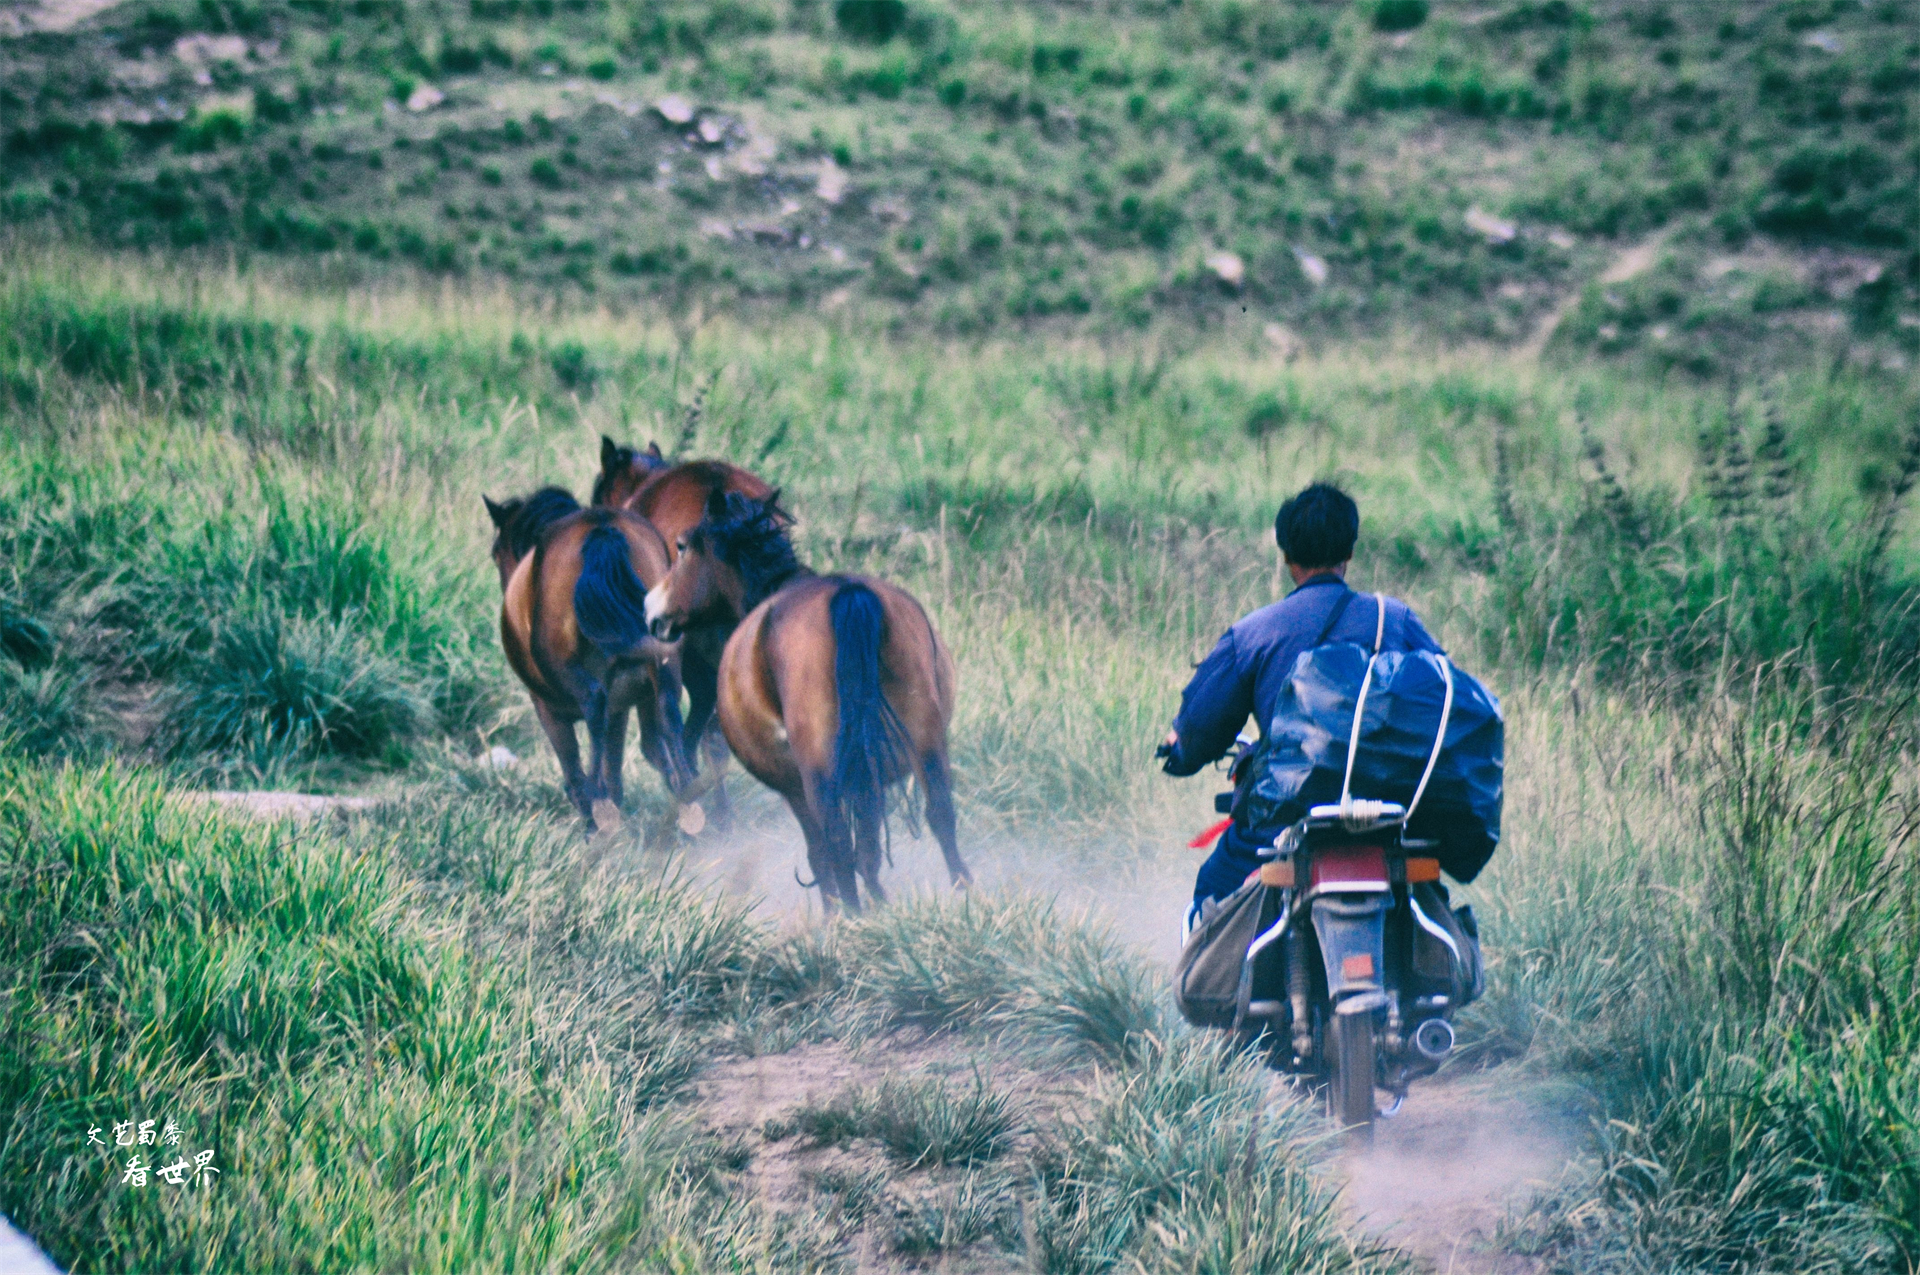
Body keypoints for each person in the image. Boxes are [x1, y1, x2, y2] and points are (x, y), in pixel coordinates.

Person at [1157, 483, 1445, 930]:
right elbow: (1446, 701)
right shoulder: (1396, 620)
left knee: (1211, 892)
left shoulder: (1254, 634)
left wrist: (1179, 749)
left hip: (1285, 821)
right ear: (1349, 551)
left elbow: (1200, 729)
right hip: (1389, 817)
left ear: (1286, 554)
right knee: (1431, 899)